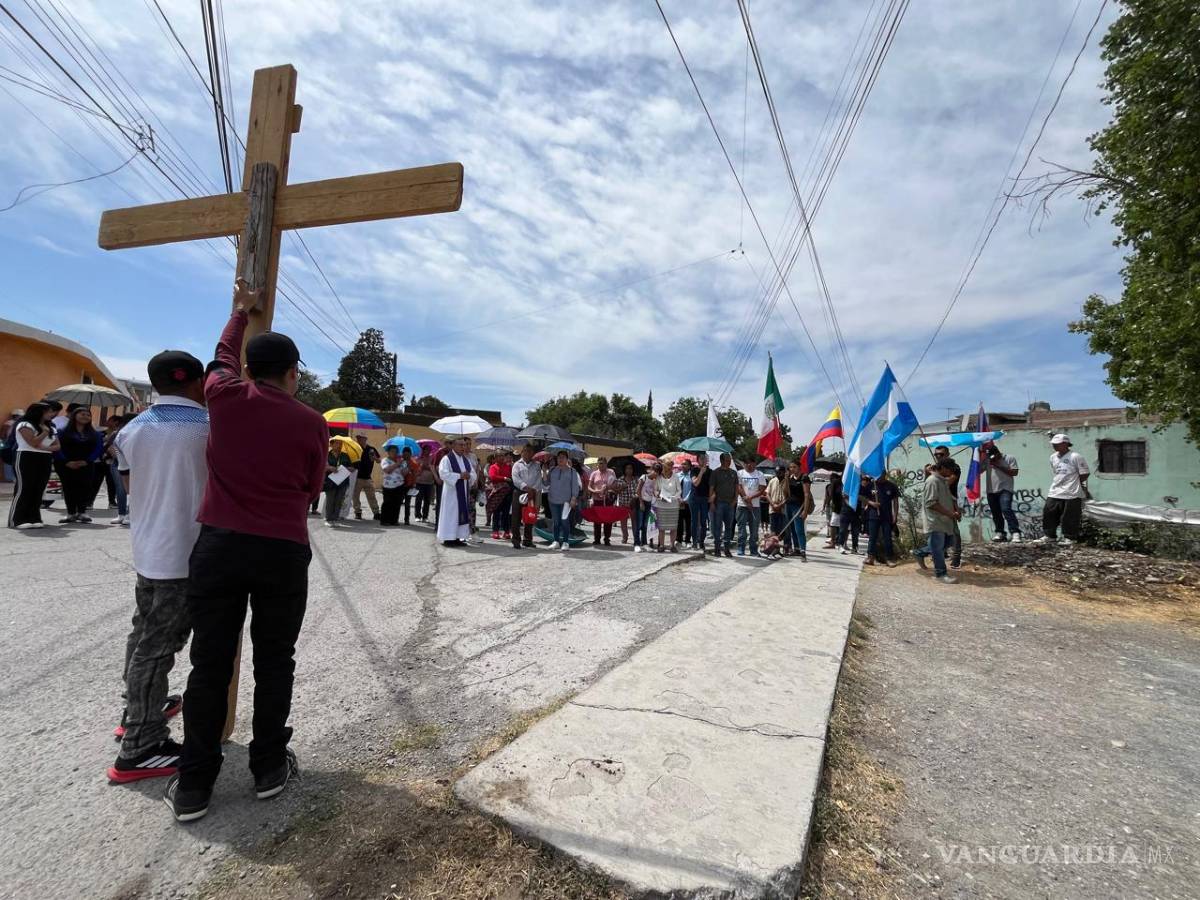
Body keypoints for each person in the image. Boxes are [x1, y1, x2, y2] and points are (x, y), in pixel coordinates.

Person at [164, 279, 329, 823]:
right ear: (293, 373)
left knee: (209, 662)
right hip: (282, 548)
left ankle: (194, 783)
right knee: (275, 658)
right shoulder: (312, 422)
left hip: (220, 546)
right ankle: (268, 766)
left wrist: (239, 312)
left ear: (250, 370)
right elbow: (312, 487)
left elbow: (220, 357)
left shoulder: (224, 396)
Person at [106, 350, 209, 784]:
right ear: (199, 382)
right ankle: (141, 744)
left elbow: (130, 487)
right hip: (184, 551)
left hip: (149, 547)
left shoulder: (130, 430)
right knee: (159, 645)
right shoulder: (209, 427)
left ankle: (138, 708)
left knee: (143, 633)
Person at [7, 402, 59, 529]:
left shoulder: (51, 427)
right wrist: (44, 433)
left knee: (38, 488)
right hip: (26, 456)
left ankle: (34, 518)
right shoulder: (24, 424)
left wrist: (44, 447)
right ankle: (17, 519)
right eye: (48, 411)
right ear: (38, 412)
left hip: (45, 458)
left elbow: (57, 446)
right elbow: (33, 442)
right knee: (24, 488)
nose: (51, 414)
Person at [913, 459, 960, 584]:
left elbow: (949, 498)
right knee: (938, 548)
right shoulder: (932, 481)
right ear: (943, 467)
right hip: (935, 520)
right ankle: (941, 574)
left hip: (945, 520)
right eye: (950, 469)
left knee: (949, 542)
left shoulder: (943, 481)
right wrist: (950, 513)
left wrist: (955, 511)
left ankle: (919, 553)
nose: (951, 472)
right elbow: (931, 503)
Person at [1038, 434, 1090, 544]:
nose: (1054, 446)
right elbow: (1056, 472)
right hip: (1055, 490)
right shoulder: (1053, 457)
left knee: (1069, 516)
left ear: (1066, 444)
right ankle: (1050, 536)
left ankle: (1070, 537)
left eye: (1057, 444)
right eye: (1053, 444)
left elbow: (1085, 473)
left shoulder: (1075, 456)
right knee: (1049, 512)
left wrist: (1075, 483)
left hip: (1072, 492)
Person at [56, 406, 104, 524]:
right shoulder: (62, 432)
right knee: (68, 488)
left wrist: (87, 461)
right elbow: (57, 448)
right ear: (74, 416)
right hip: (66, 464)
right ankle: (71, 513)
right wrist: (66, 462)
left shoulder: (95, 434)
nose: (85, 417)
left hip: (86, 464)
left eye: (88, 415)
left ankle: (82, 512)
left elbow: (99, 449)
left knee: (85, 487)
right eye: (82, 414)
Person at [437, 436, 477, 547]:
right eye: (460, 445)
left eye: (464, 445)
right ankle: (448, 538)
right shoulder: (447, 459)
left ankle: (458, 537)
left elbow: (473, 473)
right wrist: (459, 476)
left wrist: (469, 476)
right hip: (451, 493)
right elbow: (443, 474)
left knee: (460, 513)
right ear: (453, 446)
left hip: (463, 492)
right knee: (451, 514)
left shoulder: (465, 460)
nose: (463, 447)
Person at [930, 447, 963, 568]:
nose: (938, 457)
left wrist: (934, 473)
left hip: (950, 501)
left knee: (954, 531)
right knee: (938, 530)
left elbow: (947, 482)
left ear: (948, 454)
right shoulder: (934, 468)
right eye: (936, 455)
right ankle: (940, 554)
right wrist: (928, 472)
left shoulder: (954, 467)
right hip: (936, 503)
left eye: (941, 454)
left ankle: (956, 558)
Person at [985, 445, 1022, 543]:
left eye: (994, 456)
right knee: (995, 512)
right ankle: (1000, 532)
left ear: (998, 452)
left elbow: (1014, 472)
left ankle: (1015, 532)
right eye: (990, 457)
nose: (993, 459)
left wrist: (998, 466)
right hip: (991, 490)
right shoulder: (987, 461)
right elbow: (978, 471)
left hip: (1005, 489)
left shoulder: (1009, 458)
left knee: (1006, 509)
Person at [510, 444, 543, 550]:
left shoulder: (537, 465)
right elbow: (515, 479)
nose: (528, 453)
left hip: (532, 493)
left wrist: (533, 489)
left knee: (530, 515)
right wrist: (526, 487)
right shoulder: (517, 465)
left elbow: (539, 479)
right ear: (522, 452)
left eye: (530, 451)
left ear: (533, 453)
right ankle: (516, 540)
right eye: (526, 451)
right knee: (516, 517)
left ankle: (527, 540)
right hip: (519, 492)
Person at [545, 449, 580, 550]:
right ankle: (556, 541)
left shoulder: (572, 471)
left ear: (567, 459)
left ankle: (565, 542)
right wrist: (544, 472)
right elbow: (546, 483)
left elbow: (575, 486)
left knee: (564, 521)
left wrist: (573, 498)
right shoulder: (552, 470)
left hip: (566, 501)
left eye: (563, 457)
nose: (560, 459)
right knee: (556, 522)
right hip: (553, 500)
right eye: (559, 457)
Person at [865, 470, 899, 567]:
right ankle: (870, 557)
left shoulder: (891, 486)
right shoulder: (871, 485)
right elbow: (861, 497)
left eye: (881, 474)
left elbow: (895, 502)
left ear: (885, 474)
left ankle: (889, 558)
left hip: (887, 517)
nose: (879, 476)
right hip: (873, 515)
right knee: (872, 537)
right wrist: (871, 503)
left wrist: (895, 515)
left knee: (887, 538)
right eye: (878, 474)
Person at [103, 414, 131, 526]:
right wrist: (119, 457)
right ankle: (121, 514)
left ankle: (129, 514)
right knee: (121, 490)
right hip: (118, 464)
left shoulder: (138, 433)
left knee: (131, 491)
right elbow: (109, 447)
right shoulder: (117, 433)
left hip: (133, 464)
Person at [708, 453, 738, 558]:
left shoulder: (733, 473)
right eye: (727, 460)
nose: (729, 462)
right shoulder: (715, 472)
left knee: (729, 527)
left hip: (730, 504)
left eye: (730, 460)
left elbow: (736, 487)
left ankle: (727, 549)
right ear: (721, 460)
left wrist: (735, 500)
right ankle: (717, 548)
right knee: (717, 527)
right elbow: (711, 488)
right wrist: (711, 503)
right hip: (718, 503)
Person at [736, 457, 767, 557]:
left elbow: (762, 489)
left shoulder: (760, 474)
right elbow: (739, 487)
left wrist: (751, 498)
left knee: (754, 529)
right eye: (746, 463)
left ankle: (753, 549)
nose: (749, 465)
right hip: (742, 505)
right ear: (744, 464)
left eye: (751, 463)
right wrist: (745, 498)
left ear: (755, 464)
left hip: (755, 506)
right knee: (742, 529)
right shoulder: (740, 473)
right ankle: (741, 548)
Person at [323, 440, 354, 526]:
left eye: (340, 444)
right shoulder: (326, 455)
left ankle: (335, 519)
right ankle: (329, 519)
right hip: (330, 482)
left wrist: (346, 469)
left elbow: (352, 468)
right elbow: (321, 467)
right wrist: (330, 468)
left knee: (339, 501)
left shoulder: (345, 456)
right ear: (331, 444)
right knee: (330, 500)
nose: (339, 445)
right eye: (337, 443)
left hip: (343, 482)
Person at [588, 457, 616, 546]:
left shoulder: (611, 472)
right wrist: (595, 491)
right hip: (597, 499)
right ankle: (597, 539)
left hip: (608, 499)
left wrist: (608, 488)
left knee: (608, 520)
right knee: (597, 520)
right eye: (599, 463)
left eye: (602, 463)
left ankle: (607, 538)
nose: (600, 465)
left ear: (606, 464)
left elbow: (615, 485)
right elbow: (589, 487)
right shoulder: (594, 473)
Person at [838, 473, 869, 554]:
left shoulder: (862, 488)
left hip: (857, 512)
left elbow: (865, 498)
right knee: (843, 530)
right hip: (846, 511)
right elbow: (844, 496)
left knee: (855, 532)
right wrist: (852, 503)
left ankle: (855, 548)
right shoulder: (847, 486)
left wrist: (861, 501)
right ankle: (840, 545)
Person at [351, 435, 381, 521]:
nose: (359, 440)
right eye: (358, 438)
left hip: (368, 477)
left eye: (361, 438)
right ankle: (358, 512)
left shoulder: (371, 449)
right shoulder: (355, 448)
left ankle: (376, 513)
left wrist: (375, 458)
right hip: (357, 477)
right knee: (355, 496)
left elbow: (379, 460)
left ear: (365, 439)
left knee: (372, 496)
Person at [653, 461, 681, 552]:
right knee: (661, 527)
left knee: (673, 527)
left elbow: (679, 491)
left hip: (673, 505)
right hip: (661, 504)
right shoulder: (659, 477)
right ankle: (661, 545)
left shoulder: (676, 477)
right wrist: (659, 495)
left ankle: (672, 545)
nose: (669, 468)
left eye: (670, 466)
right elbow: (655, 490)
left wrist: (672, 498)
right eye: (667, 466)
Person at [487, 451, 514, 540]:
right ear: (495, 458)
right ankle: (495, 531)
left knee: (506, 513)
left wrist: (506, 479)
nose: (501, 458)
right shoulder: (493, 467)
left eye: (502, 456)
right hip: (497, 493)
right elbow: (492, 477)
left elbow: (511, 477)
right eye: (499, 456)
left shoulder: (508, 466)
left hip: (507, 493)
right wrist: (504, 478)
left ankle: (506, 532)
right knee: (496, 512)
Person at [766, 465, 790, 555]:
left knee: (785, 531)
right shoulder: (772, 481)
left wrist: (780, 505)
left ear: (784, 472)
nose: (778, 474)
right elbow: (767, 494)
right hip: (773, 509)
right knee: (773, 531)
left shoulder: (788, 482)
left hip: (784, 509)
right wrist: (773, 504)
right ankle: (775, 549)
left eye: (780, 472)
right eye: (776, 472)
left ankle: (786, 549)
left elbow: (788, 496)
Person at [612, 461, 638, 546]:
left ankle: (636, 538)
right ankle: (625, 537)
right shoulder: (620, 479)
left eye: (630, 468)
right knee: (623, 522)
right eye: (627, 468)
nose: (629, 470)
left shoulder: (636, 480)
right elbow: (615, 491)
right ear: (624, 470)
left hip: (633, 504)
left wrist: (635, 497)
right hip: (623, 504)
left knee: (634, 522)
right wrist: (622, 488)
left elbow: (639, 491)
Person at [633, 462, 656, 553]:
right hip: (641, 502)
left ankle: (644, 543)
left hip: (649, 503)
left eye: (658, 472)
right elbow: (638, 490)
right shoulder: (644, 477)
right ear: (651, 469)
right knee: (638, 524)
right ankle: (636, 544)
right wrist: (641, 503)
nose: (656, 473)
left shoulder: (654, 480)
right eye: (655, 471)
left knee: (645, 525)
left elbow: (653, 492)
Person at [379, 445, 405, 526]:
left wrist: (406, 465)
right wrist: (397, 464)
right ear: (388, 452)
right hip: (388, 485)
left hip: (399, 485)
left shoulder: (400, 461)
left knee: (397, 503)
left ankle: (394, 520)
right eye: (392, 451)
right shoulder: (385, 460)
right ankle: (384, 520)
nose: (394, 453)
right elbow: (387, 470)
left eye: (396, 452)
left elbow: (404, 473)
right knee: (387, 503)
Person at [689, 457, 711, 551]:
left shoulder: (710, 471)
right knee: (694, 521)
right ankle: (694, 542)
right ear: (698, 460)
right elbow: (695, 483)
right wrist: (701, 472)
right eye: (701, 459)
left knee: (703, 521)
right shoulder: (694, 470)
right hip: (694, 498)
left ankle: (701, 542)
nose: (704, 460)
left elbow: (712, 486)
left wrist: (711, 497)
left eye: (705, 459)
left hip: (705, 499)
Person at [822, 473, 844, 548]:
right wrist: (825, 506)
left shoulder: (844, 483)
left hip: (841, 507)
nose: (831, 479)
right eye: (830, 478)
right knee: (832, 523)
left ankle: (840, 542)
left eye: (832, 478)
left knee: (841, 525)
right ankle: (833, 541)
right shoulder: (830, 485)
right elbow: (828, 496)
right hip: (833, 507)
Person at [413, 447, 435, 522]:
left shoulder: (432, 458)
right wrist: (421, 466)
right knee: (418, 499)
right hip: (420, 482)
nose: (427, 451)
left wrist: (427, 467)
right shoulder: (418, 458)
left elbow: (433, 468)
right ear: (423, 450)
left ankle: (425, 516)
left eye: (428, 450)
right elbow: (416, 469)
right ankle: (417, 515)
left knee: (427, 500)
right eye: (425, 450)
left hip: (429, 482)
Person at [677, 459, 693, 547]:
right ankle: (678, 539)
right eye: (682, 464)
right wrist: (679, 499)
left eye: (685, 464)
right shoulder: (677, 475)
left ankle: (688, 540)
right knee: (679, 522)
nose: (683, 466)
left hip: (688, 502)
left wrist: (686, 499)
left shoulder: (692, 476)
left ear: (689, 466)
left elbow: (692, 490)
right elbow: (675, 488)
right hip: (678, 502)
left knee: (688, 522)